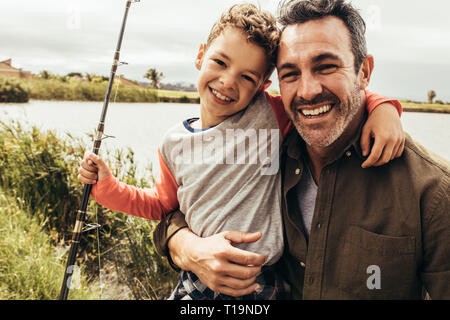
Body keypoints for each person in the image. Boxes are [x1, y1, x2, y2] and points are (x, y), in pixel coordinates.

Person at [78, 3, 404, 300]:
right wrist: (106, 188)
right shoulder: (172, 143)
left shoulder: (271, 115)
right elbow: (160, 206)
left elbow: (332, 97)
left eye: (247, 77)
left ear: (263, 84)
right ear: (200, 55)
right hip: (197, 279)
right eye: (220, 62)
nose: (227, 82)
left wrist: (384, 109)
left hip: (261, 284)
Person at [153, 0, 450, 299]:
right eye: (291, 73)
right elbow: (182, 206)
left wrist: (384, 106)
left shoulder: (433, 191)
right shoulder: (269, 147)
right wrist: (188, 248)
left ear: (364, 72)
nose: (307, 91)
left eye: (327, 66)